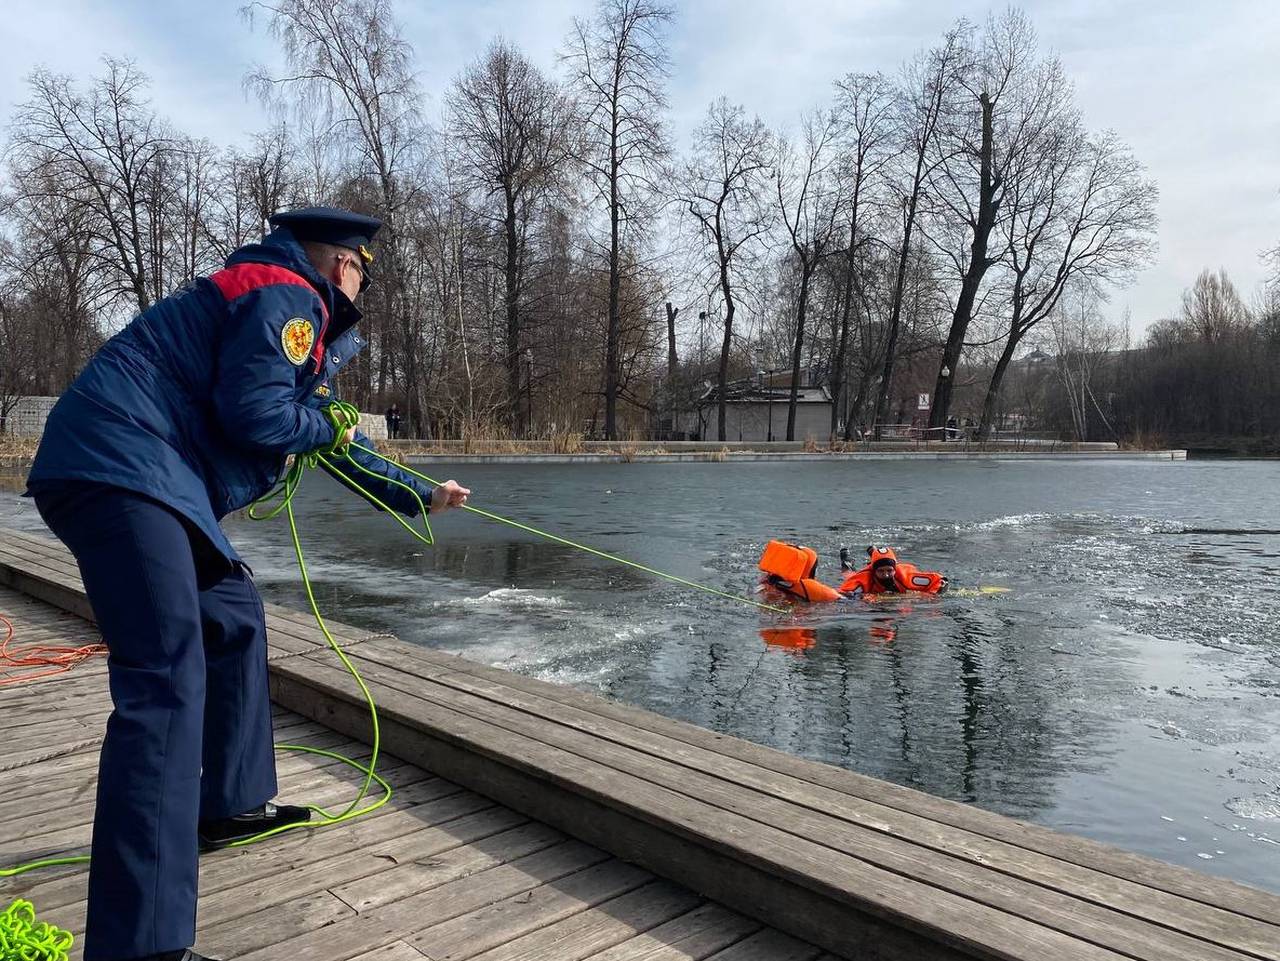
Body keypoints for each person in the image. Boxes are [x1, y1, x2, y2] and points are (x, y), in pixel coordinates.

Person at [25, 206, 471, 961]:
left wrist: (419, 494)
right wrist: (325, 427)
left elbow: (319, 431)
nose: (364, 280)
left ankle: (227, 803)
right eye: (364, 267)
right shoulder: (286, 294)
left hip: (148, 474)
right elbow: (258, 414)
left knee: (232, 612)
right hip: (120, 465)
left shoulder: (284, 302)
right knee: (164, 679)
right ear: (341, 264)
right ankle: (141, 944)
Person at [837, 545, 947, 596]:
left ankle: (874, 552)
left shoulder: (904, 574)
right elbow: (843, 595)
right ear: (874, 571)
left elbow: (940, 581)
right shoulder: (864, 579)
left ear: (895, 568)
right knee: (849, 574)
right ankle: (846, 560)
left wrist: (930, 596)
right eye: (881, 571)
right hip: (865, 574)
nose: (886, 575)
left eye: (889, 571)